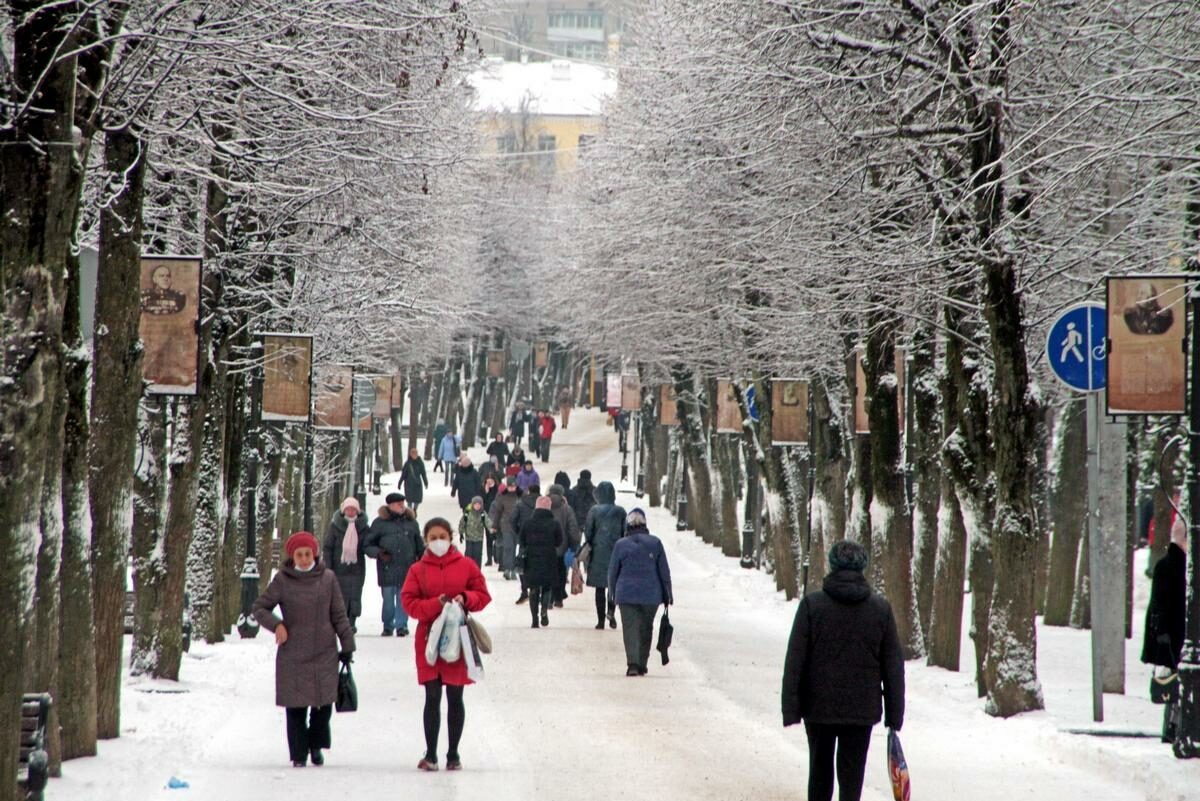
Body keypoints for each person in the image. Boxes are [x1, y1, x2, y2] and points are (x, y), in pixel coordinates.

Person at [781, 540, 905, 801]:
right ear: (863, 567)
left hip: (818, 707)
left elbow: (795, 661)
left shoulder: (812, 606)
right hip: (861, 710)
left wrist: (791, 708)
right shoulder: (880, 610)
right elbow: (893, 667)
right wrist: (895, 715)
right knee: (852, 776)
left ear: (832, 565)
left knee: (819, 771)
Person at [252, 531, 356, 768]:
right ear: (292, 556)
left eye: (308, 554)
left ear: (315, 554)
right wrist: (277, 624)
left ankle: (316, 745)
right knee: (296, 706)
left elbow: (339, 614)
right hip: (293, 652)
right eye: (299, 555)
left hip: (324, 651)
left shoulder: (327, 578)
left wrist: (347, 644)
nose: (305, 559)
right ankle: (299, 753)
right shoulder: (282, 580)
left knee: (323, 705)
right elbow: (260, 608)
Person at [400, 518, 492, 772]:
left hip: (458, 640)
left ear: (450, 537)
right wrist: (435, 605)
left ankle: (453, 753)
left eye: (442, 536)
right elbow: (409, 603)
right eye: (433, 537)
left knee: (455, 695)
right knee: (432, 696)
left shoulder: (466, 565)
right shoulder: (417, 570)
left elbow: (483, 595)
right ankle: (430, 754)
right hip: (429, 640)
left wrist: (466, 598)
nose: (438, 541)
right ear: (426, 540)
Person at [608, 509, 673, 676]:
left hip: (626, 594)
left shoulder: (620, 545)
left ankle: (633, 664)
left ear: (627, 525)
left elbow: (613, 572)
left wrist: (612, 594)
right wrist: (668, 594)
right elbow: (664, 571)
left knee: (630, 628)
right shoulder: (655, 543)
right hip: (651, 595)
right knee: (646, 628)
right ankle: (642, 662)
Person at [1142, 516, 1187, 742]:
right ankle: (1173, 728)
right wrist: (1162, 635)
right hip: (1172, 635)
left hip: (1170, 634)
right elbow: (1161, 604)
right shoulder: (1173, 565)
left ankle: (1173, 727)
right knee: (1175, 683)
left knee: (1175, 682)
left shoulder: (1170, 564)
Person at [364, 493, 424, 636]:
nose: (402, 506)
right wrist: (379, 553)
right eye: (398, 504)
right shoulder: (379, 523)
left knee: (404, 597)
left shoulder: (411, 522)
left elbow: (419, 545)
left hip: (407, 567)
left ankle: (401, 625)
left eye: (403, 503)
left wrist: (422, 560)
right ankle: (388, 625)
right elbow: (367, 545)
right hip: (387, 567)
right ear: (390, 506)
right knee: (388, 599)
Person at [583, 481, 625, 630]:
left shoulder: (594, 511)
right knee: (613, 585)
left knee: (599, 588)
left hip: (598, 552)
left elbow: (588, 531)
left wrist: (588, 544)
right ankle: (611, 612)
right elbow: (624, 532)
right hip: (616, 552)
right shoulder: (620, 511)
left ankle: (600, 620)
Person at [323, 497, 368, 632]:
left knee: (355, 595)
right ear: (343, 511)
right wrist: (328, 565)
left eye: (353, 509)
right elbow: (328, 546)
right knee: (339, 595)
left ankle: (351, 621)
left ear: (357, 511)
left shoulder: (363, 527)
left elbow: (368, 543)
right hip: (339, 566)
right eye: (348, 509)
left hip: (357, 567)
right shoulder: (335, 526)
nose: (350, 512)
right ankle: (341, 622)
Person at [518, 495, 563, 628]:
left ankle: (534, 619)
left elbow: (521, 540)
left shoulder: (528, 523)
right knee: (547, 585)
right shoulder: (554, 523)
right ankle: (544, 610)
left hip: (531, 559)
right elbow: (559, 541)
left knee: (533, 587)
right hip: (549, 558)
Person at [547, 483, 581, 607]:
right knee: (561, 573)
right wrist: (574, 544)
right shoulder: (567, 509)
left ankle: (548, 598)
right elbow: (572, 528)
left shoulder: (544, 506)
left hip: (547, 546)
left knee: (548, 571)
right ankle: (558, 598)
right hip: (562, 546)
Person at [511, 484, 540, 603]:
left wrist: (518, 531)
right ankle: (536, 590)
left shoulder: (521, 503)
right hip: (540, 538)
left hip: (525, 537)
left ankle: (524, 590)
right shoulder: (543, 503)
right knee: (538, 564)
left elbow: (512, 519)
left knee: (521, 563)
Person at [489, 477, 521, 580]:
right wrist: (495, 525)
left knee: (515, 548)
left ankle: (513, 569)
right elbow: (498, 512)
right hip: (506, 525)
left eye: (514, 486)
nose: (512, 488)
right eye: (510, 486)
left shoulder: (521, 496)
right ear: (507, 486)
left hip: (518, 526)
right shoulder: (502, 496)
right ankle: (508, 569)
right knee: (508, 547)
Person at [458, 497, 489, 566]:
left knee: (477, 555)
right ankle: (468, 570)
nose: (477, 506)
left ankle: (477, 571)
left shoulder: (482, 514)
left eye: (479, 504)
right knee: (469, 554)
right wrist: (461, 533)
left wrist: (492, 529)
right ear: (473, 505)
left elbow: (488, 522)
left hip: (479, 538)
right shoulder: (467, 513)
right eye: (475, 504)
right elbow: (462, 523)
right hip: (469, 538)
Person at [399, 447, 429, 514]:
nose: (414, 455)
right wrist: (400, 483)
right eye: (412, 454)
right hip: (409, 484)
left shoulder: (420, 463)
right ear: (410, 454)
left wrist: (426, 482)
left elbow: (423, 473)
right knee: (409, 499)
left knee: (417, 499)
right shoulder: (407, 463)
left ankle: (415, 509)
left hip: (417, 484)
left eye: (415, 454)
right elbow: (403, 474)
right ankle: (410, 511)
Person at [481, 475, 500, 566]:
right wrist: (486, 491)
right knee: (488, 538)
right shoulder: (483, 489)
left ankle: (496, 555)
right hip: (487, 516)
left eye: (490, 480)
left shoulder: (498, 489)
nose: (489, 482)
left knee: (496, 537)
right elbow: (481, 501)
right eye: (487, 481)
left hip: (496, 516)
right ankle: (489, 559)